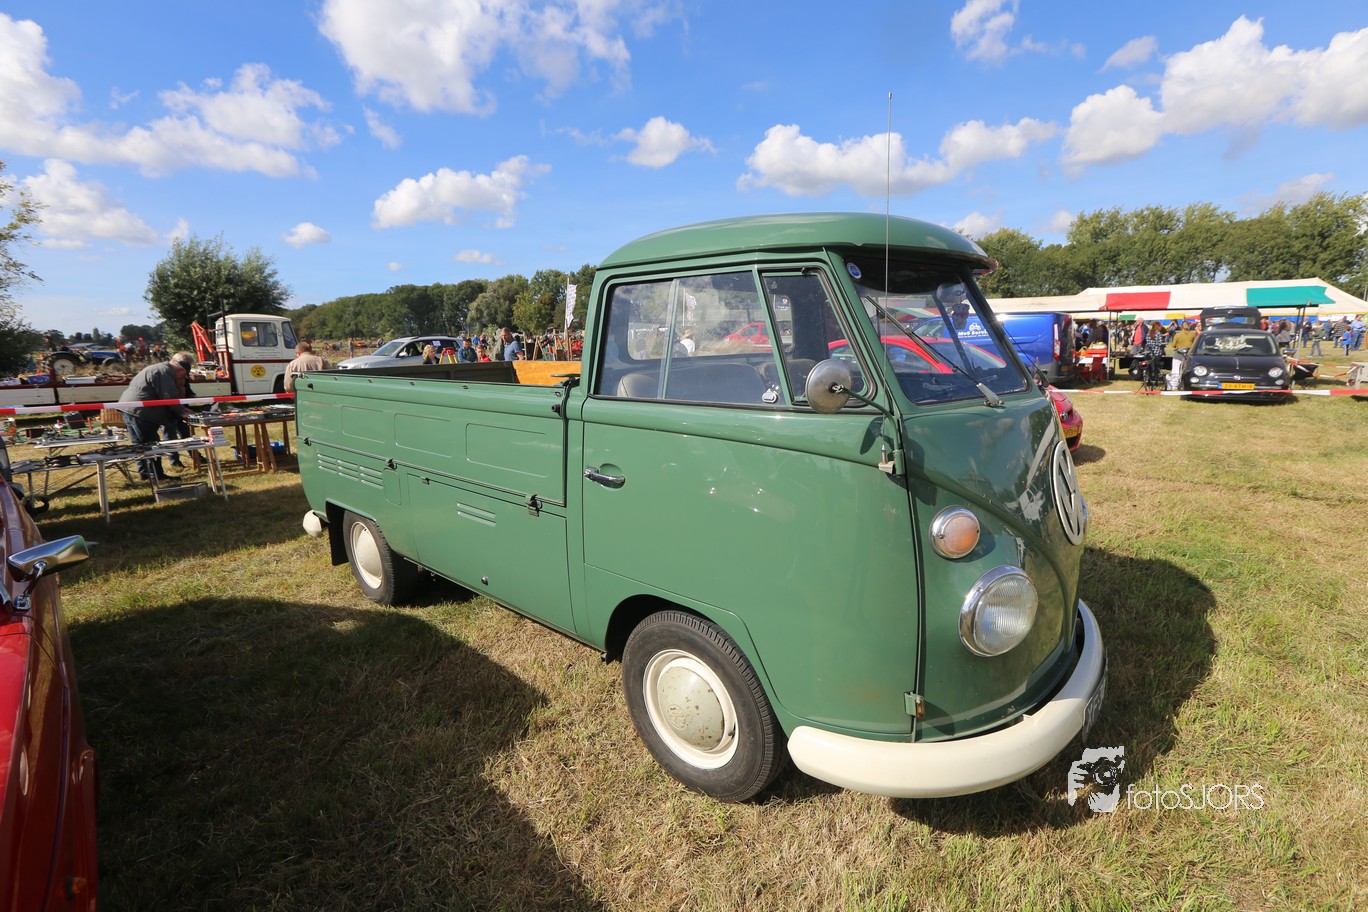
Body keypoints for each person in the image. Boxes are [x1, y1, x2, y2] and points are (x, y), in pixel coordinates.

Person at [119, 352, 195, 481]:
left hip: (128, 407)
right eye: (183, 375)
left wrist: (183, 408)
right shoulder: (164, 372)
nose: (182, 378)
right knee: (151, 443)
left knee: (139, 443)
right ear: (181, 370)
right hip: (141, 411)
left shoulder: (160, 368)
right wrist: (182, 412)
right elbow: (169, 396)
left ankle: (144, 472)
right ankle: (156, 474)